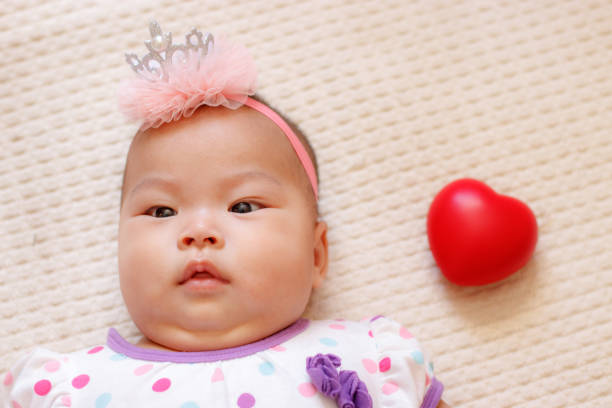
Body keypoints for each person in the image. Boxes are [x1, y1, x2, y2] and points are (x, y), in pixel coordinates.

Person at [1, 22, 450, 408]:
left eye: (242, 206)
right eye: (161, 211)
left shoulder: (370, 358)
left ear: (316, 255)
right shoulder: (69, 389)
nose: (198, 231)